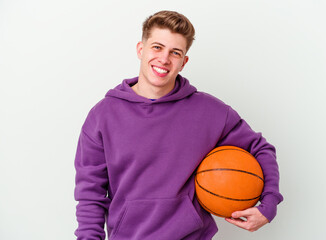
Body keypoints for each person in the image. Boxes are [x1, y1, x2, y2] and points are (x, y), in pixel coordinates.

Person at [74, 10, 283, 240]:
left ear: (183, 62)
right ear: (140, 50)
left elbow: (261, 148)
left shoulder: (209, 111)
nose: (164, 59)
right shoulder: (102, 116)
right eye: (157, 47)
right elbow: (90, 196)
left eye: (175, 52)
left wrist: (269, 204)